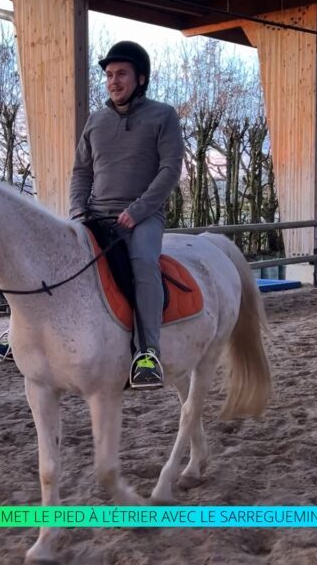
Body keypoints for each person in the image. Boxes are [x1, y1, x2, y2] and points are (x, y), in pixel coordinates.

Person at [69, 41, 184, 390]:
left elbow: (170, 169)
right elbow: (81, 173)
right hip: (94, 214)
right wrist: (77, 211)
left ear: (141, 78)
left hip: (143, 217)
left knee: (143, 264)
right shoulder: (96, 121)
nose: (113, 81)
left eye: (121, 74)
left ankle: (147, 353)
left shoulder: (163, 116)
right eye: (108, 75)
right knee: (57, 257)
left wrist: (137, 211)